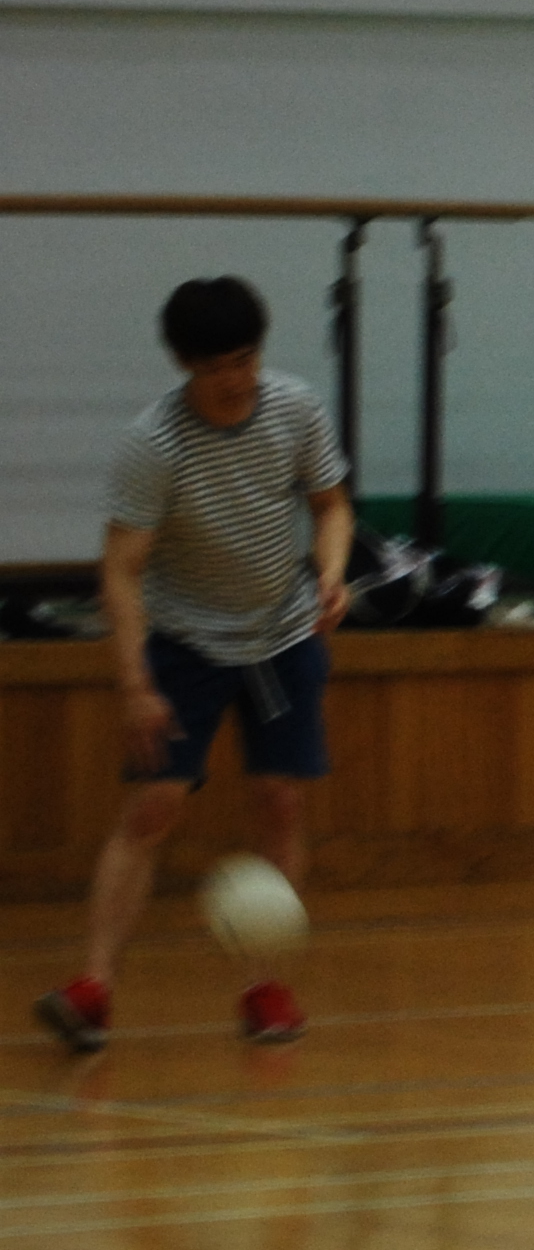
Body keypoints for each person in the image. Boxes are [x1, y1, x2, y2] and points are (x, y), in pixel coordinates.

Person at [35, 278, 351, 1053]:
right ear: (183, 364)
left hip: (279, 638)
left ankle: (267, 989)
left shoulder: (296, 409)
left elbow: (331, 504)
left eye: (245, 360)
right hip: (185, 644)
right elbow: (121, 570)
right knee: (154, 807)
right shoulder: (154, 444)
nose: (234, 379)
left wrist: (331, 570)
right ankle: (93, 991)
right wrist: (135, 683)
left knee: (280, 802)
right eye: (215, 367)